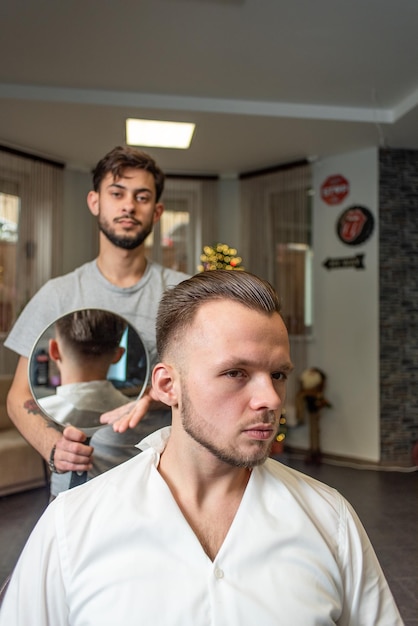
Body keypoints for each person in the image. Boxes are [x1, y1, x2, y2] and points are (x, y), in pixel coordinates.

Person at [0, 270, 403, 625]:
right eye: (235, 373)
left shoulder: (330, 520)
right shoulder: (71, 527)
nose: (272, 399)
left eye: (278, 374)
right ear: (167, 386)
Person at [4, 145, 189, 497]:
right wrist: (54, 448)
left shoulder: (183, 294)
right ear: (95, 202)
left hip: (162, 487)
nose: (129, 206)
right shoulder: (57, 294)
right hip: (77, 491)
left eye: (142, 196)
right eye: (116, 193)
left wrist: (162, 392)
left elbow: (207, 382)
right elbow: (19, 396)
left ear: (157, 210)